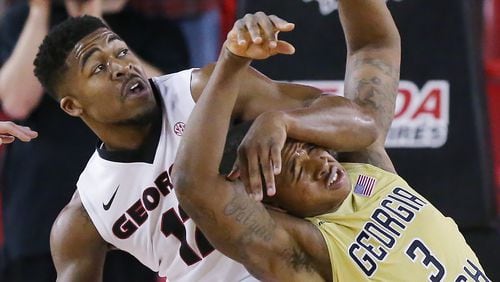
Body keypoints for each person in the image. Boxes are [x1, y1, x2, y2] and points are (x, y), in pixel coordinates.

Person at [32, 9, 377, 281]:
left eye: (122, 52)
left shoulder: (203, 90)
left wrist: (283, 121)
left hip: (299, 265)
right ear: (72, 105)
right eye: (100, 68)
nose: (122, 68)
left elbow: (360, 125)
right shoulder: (85, 214)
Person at [172, 0, 490, 281]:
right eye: (297, 171)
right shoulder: (304, 251)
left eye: (312, 148)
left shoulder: (366, 167)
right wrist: (232, 62)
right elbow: (194, 185)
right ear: (272, 204)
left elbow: (373, 48)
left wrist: (281, 119)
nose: (320, 163)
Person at [0, 0, 187, 281]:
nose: (119, 66)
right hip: (39, 216)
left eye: (121, 52)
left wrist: (96, 29)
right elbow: (16, 102)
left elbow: (171, 99)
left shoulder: (155, 28)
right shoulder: (20, 22)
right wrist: (39, 12)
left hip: (134, 218)